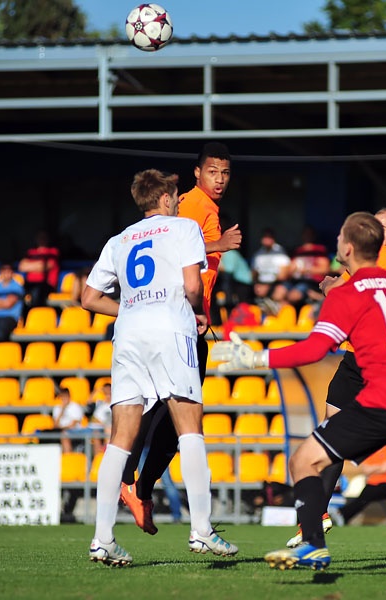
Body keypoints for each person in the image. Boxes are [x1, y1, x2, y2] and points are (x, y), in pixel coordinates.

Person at [212, 212, 386, 580]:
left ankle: (312, 542)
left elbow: (313, 350)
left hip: (385, 395)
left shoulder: (347, 292)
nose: (336, 238)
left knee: (303, 460)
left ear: (349, 247)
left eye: (340, 234)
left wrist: (260, 357)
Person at [81, 167, 237, 567]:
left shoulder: (119, 239)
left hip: (128, 335)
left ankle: (102, 539)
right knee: (189, 427)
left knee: (121, 437)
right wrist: (194, 312)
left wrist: (132, 308)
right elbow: (191, 285)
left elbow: (88, 297)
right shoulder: (183, 228)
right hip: (170, 329)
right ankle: (201, 530)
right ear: (167, 199)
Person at [283, 206, 386, 549]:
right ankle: (320, 518)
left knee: (331, 437)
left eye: (380, 225)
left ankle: (317, 520)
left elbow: (342, 292)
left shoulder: (376, 261)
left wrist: (328, 286)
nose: (372, 228)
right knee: (336, 430)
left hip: (370, 359)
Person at [118, 142, 242, 536]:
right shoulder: (193, 208)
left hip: (189, 317)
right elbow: (170, 246)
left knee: (173, 413)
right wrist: (218, 246)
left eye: (225, 173)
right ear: (197, 173)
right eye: (213, 172)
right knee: (176, 411)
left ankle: (139, 486)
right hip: (179, 319)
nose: (219, 179)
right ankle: (131, 479)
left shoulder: (205, 208)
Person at [336, 445, 386, 526]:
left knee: (364, 498)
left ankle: (342, 513)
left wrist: (373, 469)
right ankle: (343, 515)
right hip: (371, 484)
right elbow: (365, 469)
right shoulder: (371, 450)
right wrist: (378, 468)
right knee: (362, 499)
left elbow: (385, 468)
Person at [272, 225, 330, 309]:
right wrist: (291, 270)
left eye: (309, 234)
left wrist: (307, 270)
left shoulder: (319, 250)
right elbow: (290, 268)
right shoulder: (298, 251)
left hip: (311, 282)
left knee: (294, 295)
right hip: (295, 280)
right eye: (305, 234)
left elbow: (325, 269)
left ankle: (279, 309)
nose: (307, 236)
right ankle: (277, 310)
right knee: (279, 291)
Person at [250, 228, 290, 314]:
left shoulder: (280, 252)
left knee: (280, 293)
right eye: (265, 237)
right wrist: (257, 284)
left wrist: (267, 286)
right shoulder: (258, 254)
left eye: (269, 237)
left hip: (277, 283)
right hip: (262, 283)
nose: (267, 239)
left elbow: (283, 275)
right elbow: (254, 273)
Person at [18, 230, 60, 309]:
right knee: (17, 292)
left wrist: (30, 265)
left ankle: (35, 316)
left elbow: (44, 267)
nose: (42, 239)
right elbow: (21, 267)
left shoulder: (53, 252)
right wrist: (38, 265)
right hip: (29, 283)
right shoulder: (30, 252)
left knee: (36, 294)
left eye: (44, 237)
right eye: (40, 237)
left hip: (46, 285)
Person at [52, 387, 86, 453]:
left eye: (65, 396)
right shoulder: (57, 408)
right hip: (61, 431)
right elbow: (55, 424)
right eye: (62, 396)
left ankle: (68, 457)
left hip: (75, 431)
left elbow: (73, 424)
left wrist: (62, 428)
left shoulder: (75, 407)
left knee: (64, 434)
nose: (64, 398)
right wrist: (62, 410)